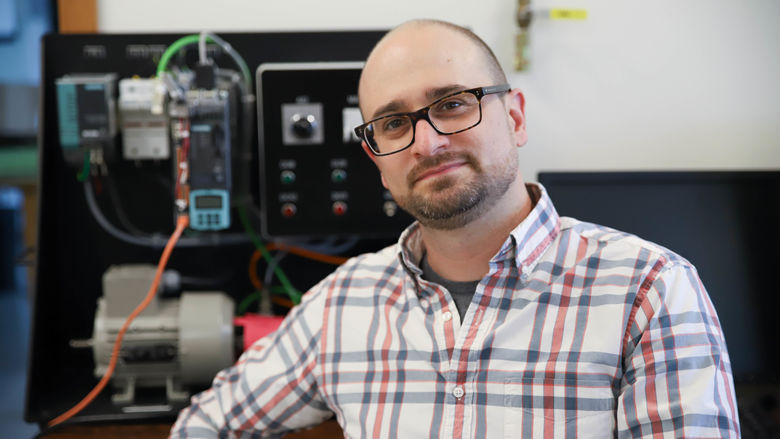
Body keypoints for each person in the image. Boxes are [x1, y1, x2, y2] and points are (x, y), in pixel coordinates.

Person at [171, 19, 740, 438]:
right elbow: (202, 427)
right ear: (376, 155)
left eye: (451, 104)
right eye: (393, 123)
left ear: (514, 116)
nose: (426, 142)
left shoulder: (648, 291)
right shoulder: (340, 306)